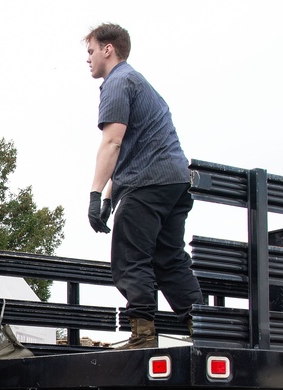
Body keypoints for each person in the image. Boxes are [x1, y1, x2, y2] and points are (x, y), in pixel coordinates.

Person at [84, 23, 203, 349]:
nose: (88, 59)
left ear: (109, 49)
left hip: (148, 182)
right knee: (169, 259)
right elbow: (136, 147)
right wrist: (111, 197)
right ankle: (206, 331)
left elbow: (113, 142)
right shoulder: (137, 81)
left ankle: (143, 335)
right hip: (175, 181)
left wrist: (94, 194)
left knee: (130, 258)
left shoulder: (117, 82)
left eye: (91, 50)